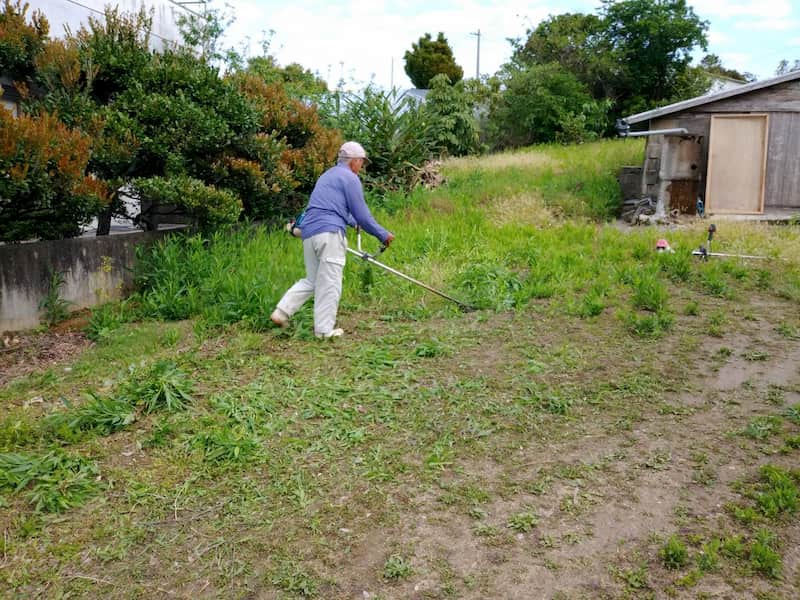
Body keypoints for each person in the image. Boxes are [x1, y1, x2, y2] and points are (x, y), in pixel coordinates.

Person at [270, 141, 395, 338]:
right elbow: (363, 215)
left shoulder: (327, 176)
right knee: (330, 282)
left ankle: (281, 312)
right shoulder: (350, 179)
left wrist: (353, 223)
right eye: (361, 161)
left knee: (312, 280)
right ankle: (324, 331)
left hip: (310, 233)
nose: (362, 166)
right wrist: (383, 234)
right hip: (329, 234)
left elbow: (333, 208)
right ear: (353, 161)